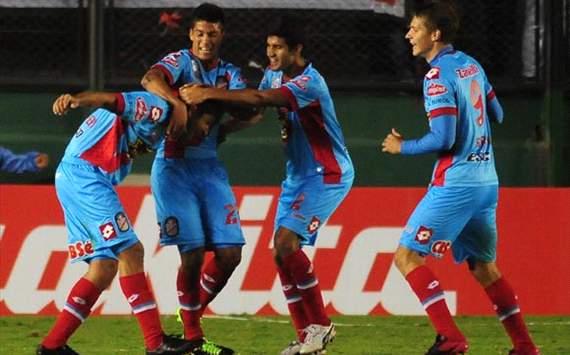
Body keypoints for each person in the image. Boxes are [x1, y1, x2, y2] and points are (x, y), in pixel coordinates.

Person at [179, 15, 354, 355]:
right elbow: (256, 108)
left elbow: (260, 99)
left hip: (327, 174)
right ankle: (308, 339)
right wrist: (225, 130)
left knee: (287, 244)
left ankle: (321, 325)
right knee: (279, 253)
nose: (271, 53)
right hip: (297, 177)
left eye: (278, 48)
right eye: (268, 47)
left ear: (297, 50)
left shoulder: (309, 83)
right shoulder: (275, 74)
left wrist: (207, 92)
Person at [381, 2, 540, 354]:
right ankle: (525, 347)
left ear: (434, 35)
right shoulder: (471, 65)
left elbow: (443, 138)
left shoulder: (437, 77)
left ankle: (451, 338)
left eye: (415, 28)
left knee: (407, 256)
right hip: (487, 181)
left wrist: (401, 146)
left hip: (457, 183)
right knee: (484, 267)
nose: (408, 34)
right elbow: (496, 113)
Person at [37, 91, 198, 355]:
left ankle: (52, 346)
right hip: (86, 175)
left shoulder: (169, 128)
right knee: (131, 251)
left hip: (74, 175)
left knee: (103, 266)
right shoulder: (158, 106)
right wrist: (77, 100)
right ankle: (155, 342)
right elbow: (112, 100)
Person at [141, 3, 258, 355]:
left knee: (230, 254)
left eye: (213, 34)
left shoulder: (228, 73)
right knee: (191, 254)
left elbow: (251, 103)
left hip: (209, 167)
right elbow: (149, 79)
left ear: (222, 35)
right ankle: (193, 339)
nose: (206, 40)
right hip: (174, 166)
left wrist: (208, 95)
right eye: (200, 33)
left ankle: (189, 313)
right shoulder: (179, 62)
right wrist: (177, 104)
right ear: (191, 34)